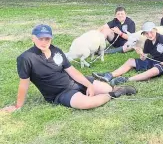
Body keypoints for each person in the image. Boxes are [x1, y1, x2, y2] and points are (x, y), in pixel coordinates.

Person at [1, 24, 136, 113]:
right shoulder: (26, 58)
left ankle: (112, 90)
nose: (44, 42)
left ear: (51, 39)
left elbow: (72, 71)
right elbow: (23, 85)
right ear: (33, 38)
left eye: (47, 39)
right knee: (87, 104)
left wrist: (89, 85)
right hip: (60, 93)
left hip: (74, 82)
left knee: (104, 87)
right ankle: (113, 94)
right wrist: (18, 106)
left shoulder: (56, 51)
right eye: (40, 39)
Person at [92, 22, 163, 84]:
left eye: (151, 32)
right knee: (130, 61)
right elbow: (144, 58)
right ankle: (110, 75)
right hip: (153, 61)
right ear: (144, 34)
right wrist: (141, 54)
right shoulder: (148, 42)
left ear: (155, 30)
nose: (149, 35)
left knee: (154, 71)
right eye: (146, 33)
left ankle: (127, 79)